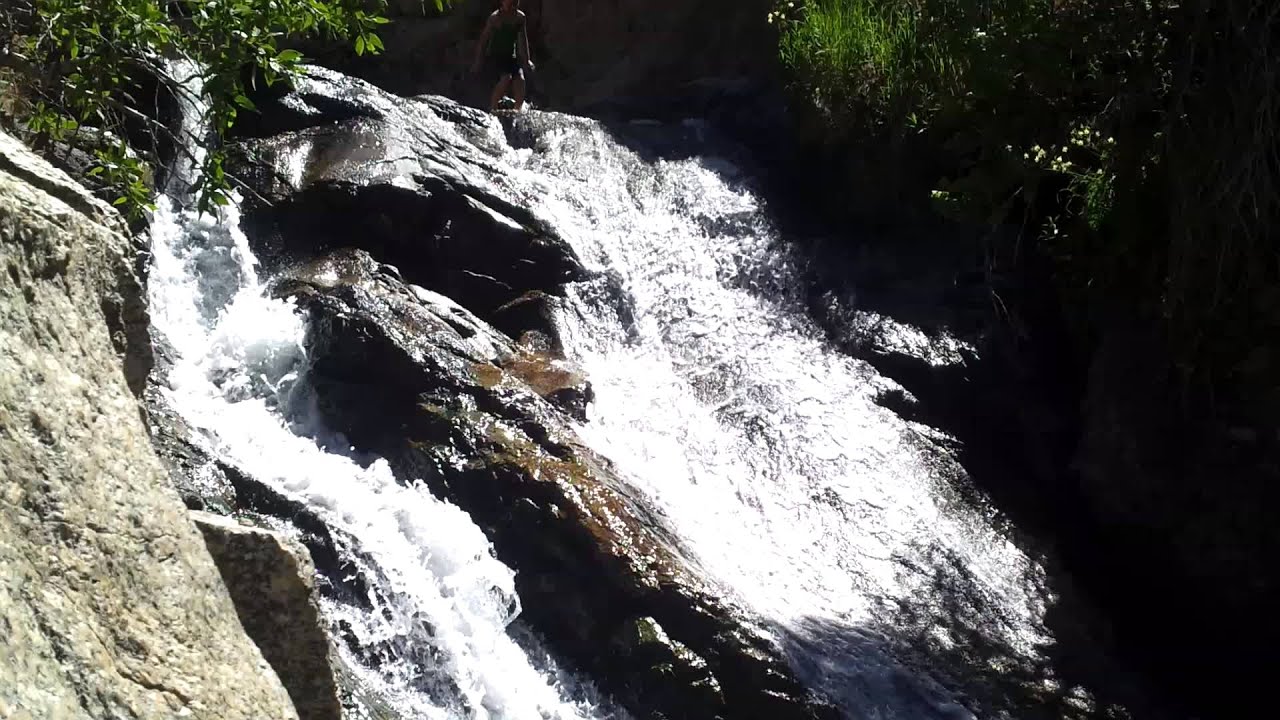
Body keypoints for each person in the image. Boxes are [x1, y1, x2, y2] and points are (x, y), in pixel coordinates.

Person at [471, 0, 535, 113]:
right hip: (495, 56)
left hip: (510, 57)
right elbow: (483, 41)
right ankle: (493, 107)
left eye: (515, 3)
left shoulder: (520, 17)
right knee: (506, 78)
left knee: (520, 79)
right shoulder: (495, 18)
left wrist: (527, 60)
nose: (512, 6)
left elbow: (523, 41)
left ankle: (517, 110)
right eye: (509, 4)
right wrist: (478, 61)